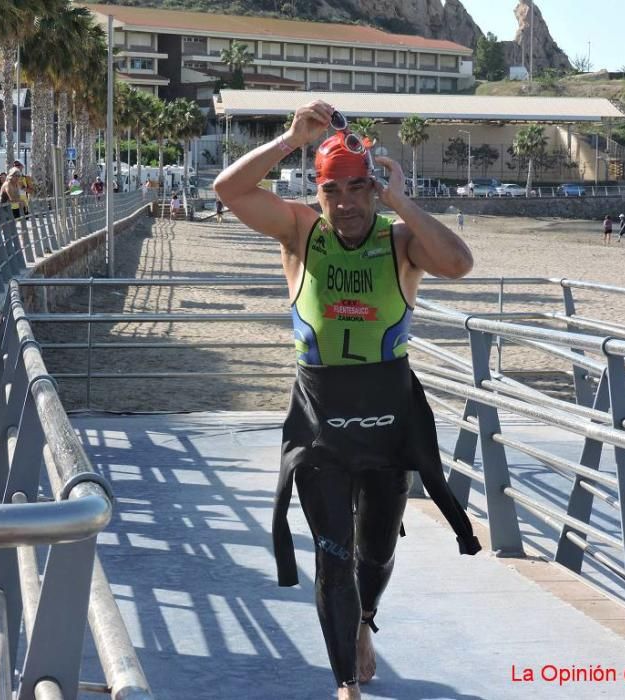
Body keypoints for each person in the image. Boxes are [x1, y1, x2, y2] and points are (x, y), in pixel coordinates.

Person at [213, 100, 480, 699]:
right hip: (320, 420)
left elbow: (460, 264)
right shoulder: (299, 231)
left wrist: (402, 201)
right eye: (336, 191)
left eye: (360, 189)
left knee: (376, 553)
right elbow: (228, 189)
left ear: (373, 189)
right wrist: (289, 138)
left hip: (388, 416)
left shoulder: (401, 241)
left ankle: (364, 621)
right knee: (333, 556)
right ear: (320, 192)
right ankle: (344, 684)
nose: (348, 203)